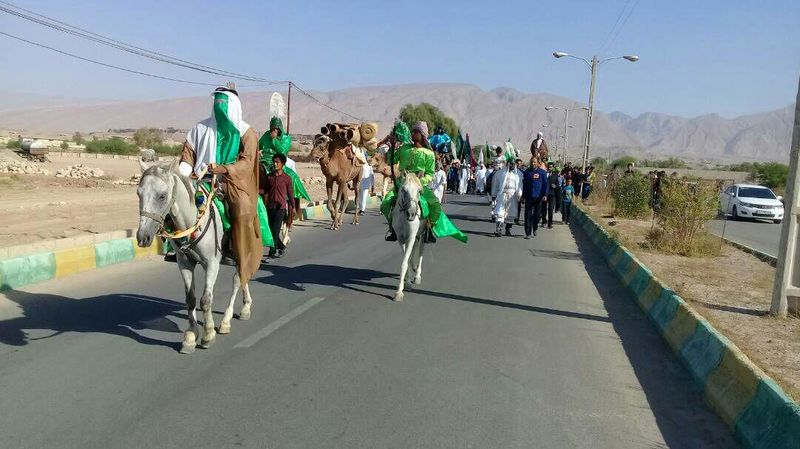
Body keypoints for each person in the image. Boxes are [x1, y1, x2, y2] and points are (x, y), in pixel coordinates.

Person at [178, 87, 270, 277]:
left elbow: (247, 162)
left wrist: (224, 168)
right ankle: (176, 246)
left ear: (234, 106)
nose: (220, 107)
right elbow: (188, 155)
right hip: (201, 179)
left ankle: (237, 250)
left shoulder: (246, 133)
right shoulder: (200, 128)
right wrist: (182, 173)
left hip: (233, 182)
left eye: (224, 103)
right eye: (217, 103)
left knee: (243, 208)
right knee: (173, 202)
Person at [380, 121, 467, 243]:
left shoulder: (429, 153)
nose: (412, 133)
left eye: (415, 132)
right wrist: (392, 147)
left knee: (435, 206)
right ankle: (392, 229)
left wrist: (419, 181)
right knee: (384, 205)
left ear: (422, 135)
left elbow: (430, 174)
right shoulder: (404, 148)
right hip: (401, 185)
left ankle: (429, 229)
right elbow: (389, 161)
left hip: (420, 186)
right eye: (412, 131)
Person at [258, 116, 311, 223]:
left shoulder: (286, 138)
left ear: (280, 129)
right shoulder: (265, 135)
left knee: (292, 177)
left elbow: (282, 151)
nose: (274, 130)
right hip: (263, 160)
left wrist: (274, 139)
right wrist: (257, 151)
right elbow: (259, 145)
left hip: (278, 161)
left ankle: (292, 204)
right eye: (272, 128)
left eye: (276, 129)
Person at [263, 154, 294, 258]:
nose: (275, 164)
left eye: (277, 162)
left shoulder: (287, 179)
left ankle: (272, 252)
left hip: (280, 209)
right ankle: (281, 247)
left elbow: (290, 196)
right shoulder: (269, 177)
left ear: (283, 164)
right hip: (270, 207)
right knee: (271, 230)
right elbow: (265, 191)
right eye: (274, 162)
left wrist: (291, 212)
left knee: (275, 231)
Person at [491, 156, 523, 236]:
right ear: (507, 164)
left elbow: (520, 185)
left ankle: (508, 230)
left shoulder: (519, 174)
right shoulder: (500, 173)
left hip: (513, 196)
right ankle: (498, 230)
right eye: (510, 164)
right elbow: (496, 185)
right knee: (500, 212)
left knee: (510, 214)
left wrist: (520, 194)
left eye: (513, 164)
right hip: (502, 194)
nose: (512, 165)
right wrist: (494, 195)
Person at [522, 157, 548, 239]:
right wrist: (523, 196)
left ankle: (535, 227)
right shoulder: (527, 172)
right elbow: (524, 185)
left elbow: (545, 185)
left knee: (537, 215)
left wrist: (545, 195)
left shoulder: (542, 172)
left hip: (538, 197)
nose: (533, 163)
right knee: (527, 215)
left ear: (537, 163)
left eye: (534, 162)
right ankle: (528, 233)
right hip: (529, 196)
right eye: (532, 162)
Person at [543, 162, 560, 228]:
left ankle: (550, 223)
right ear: (547, 167)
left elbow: (558, 186)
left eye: (551, 167)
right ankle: (544, 221)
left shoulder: (555, 175)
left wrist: (555, 186)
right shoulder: (544, 174)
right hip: (544, 194)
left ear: (553, 168)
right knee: (543, 208)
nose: (550, 168)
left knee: (550, 208)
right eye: (549, 167)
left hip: (552, 194)